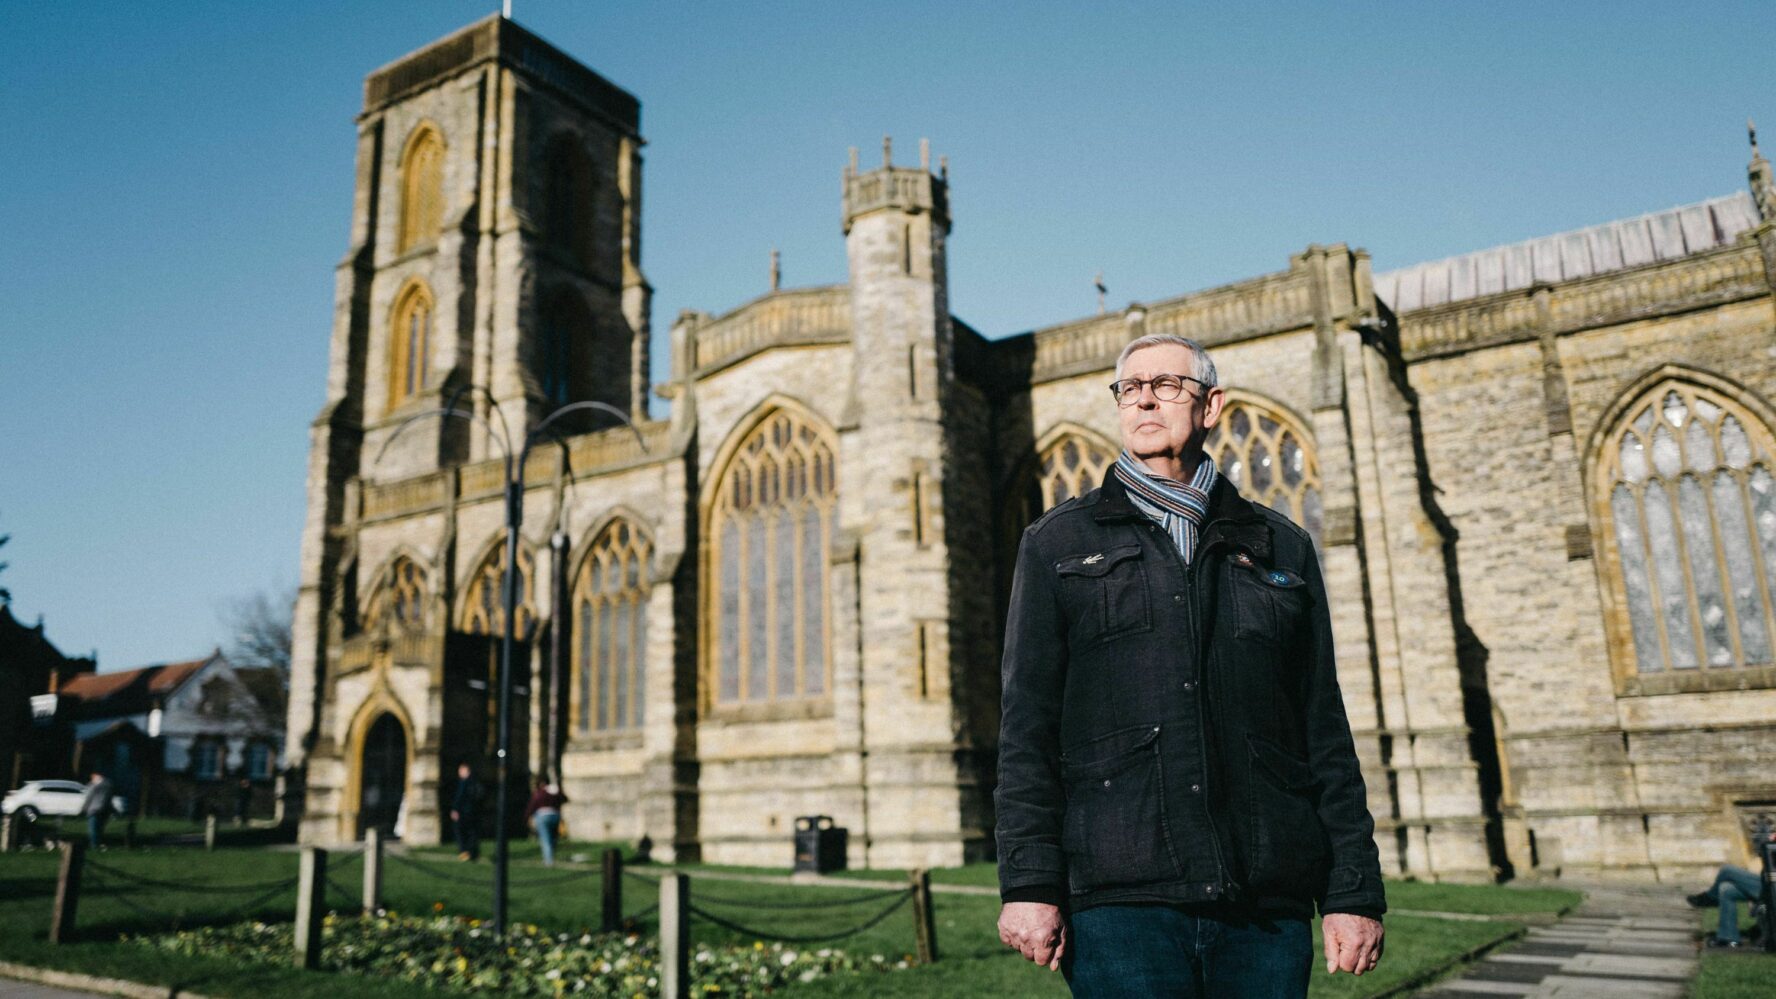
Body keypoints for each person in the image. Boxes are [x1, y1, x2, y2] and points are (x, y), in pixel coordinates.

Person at [995, 334, 1387, 998]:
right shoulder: (1056, 542)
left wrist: (1352, 888)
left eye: (1167, 384)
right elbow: (1026, 727)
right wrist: (1030, 883)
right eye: (1130, 387)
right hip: (1121, 902)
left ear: (1211, 405)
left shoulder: (1280, 543)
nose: (1145, 396)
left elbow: (1321, 723)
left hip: (1264, 901)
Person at [1688, 831, 1774, 948]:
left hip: (1771, 889)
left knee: (1727, 870)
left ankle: (1711, 898)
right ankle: (1729, 939)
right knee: (1726, 889)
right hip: (1767, 885)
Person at [524, 777, 568, 866]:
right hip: (555, 815)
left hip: (542, 816)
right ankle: (551, 856)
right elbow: (565, 799)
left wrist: (527, 817)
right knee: (553, 838)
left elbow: (532, 805)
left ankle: (548, 860)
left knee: (545, 839)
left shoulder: (539, 793)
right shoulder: (555, 791)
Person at [450, 762, 483, 861]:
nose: (459, 772)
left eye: (461, 770)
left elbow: (459, 797)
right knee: (472, 833)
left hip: (463, 812)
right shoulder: (475, 781)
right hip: (473, 811)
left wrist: (455, 809)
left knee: (461, 832)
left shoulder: (464, 783)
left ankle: (464, 851)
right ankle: (473, 853)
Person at [80, 771, 114, 849]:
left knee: (93, 829)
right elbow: (110, 798)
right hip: (105, 809)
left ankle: (94, 845)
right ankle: (99, 843)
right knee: (100, 829)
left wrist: (83, 809)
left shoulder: (93, 785)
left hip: (93, 809)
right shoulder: (109, 784)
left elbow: (89, 798)